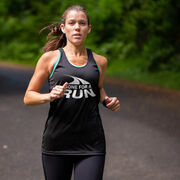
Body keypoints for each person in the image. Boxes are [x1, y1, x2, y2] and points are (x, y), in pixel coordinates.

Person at [24, 5, 120, 180]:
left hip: (92, 144)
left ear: (88, 29)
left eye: (82, 23)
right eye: (72, 23)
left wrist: (107, 101)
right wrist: (49, 95)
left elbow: (97, 89)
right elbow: (29, 96)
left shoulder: (100, 61)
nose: (77, 27)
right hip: (57, 142)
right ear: (63, 28)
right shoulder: (50, 59)